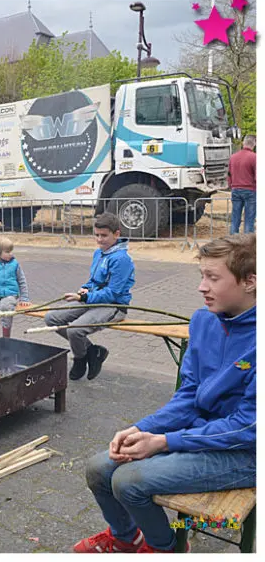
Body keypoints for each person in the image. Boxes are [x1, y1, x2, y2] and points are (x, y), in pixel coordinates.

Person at [73, 233, 255, 554]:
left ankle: (166, 548)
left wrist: (166, 442)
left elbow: (249, 427)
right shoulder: (203, 321)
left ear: (250, 281)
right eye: (202, 276)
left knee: (129, 481)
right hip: (199, 433)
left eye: (213, 277)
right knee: (99, 468)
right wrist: (143, 429)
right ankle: (126, 538)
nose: (202, 286)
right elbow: (188, 395)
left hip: (247, 453)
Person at [44, 212, 135, 381]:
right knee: (51, 318)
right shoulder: (98, 253)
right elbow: (94, 280)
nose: (100, 240)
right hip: (94, 299)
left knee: (75, 330)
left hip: (113, 306)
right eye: (97, 235)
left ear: (117, 234)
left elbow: (112, 293)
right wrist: (85, 289)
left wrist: (85, 298)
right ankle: (92, 351)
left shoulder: (122, 259)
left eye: (104, 236)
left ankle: (80, 358)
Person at [228, 134, 256, 234]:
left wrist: (231, 185)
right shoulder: (254, 157)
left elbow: (229, 174)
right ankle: (247, 243)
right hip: (250, 190)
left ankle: (232, 240)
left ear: (243, 143)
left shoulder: (233, 157)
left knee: (235, 217)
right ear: (254, 144)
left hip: (235, 189)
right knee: (249, 219)